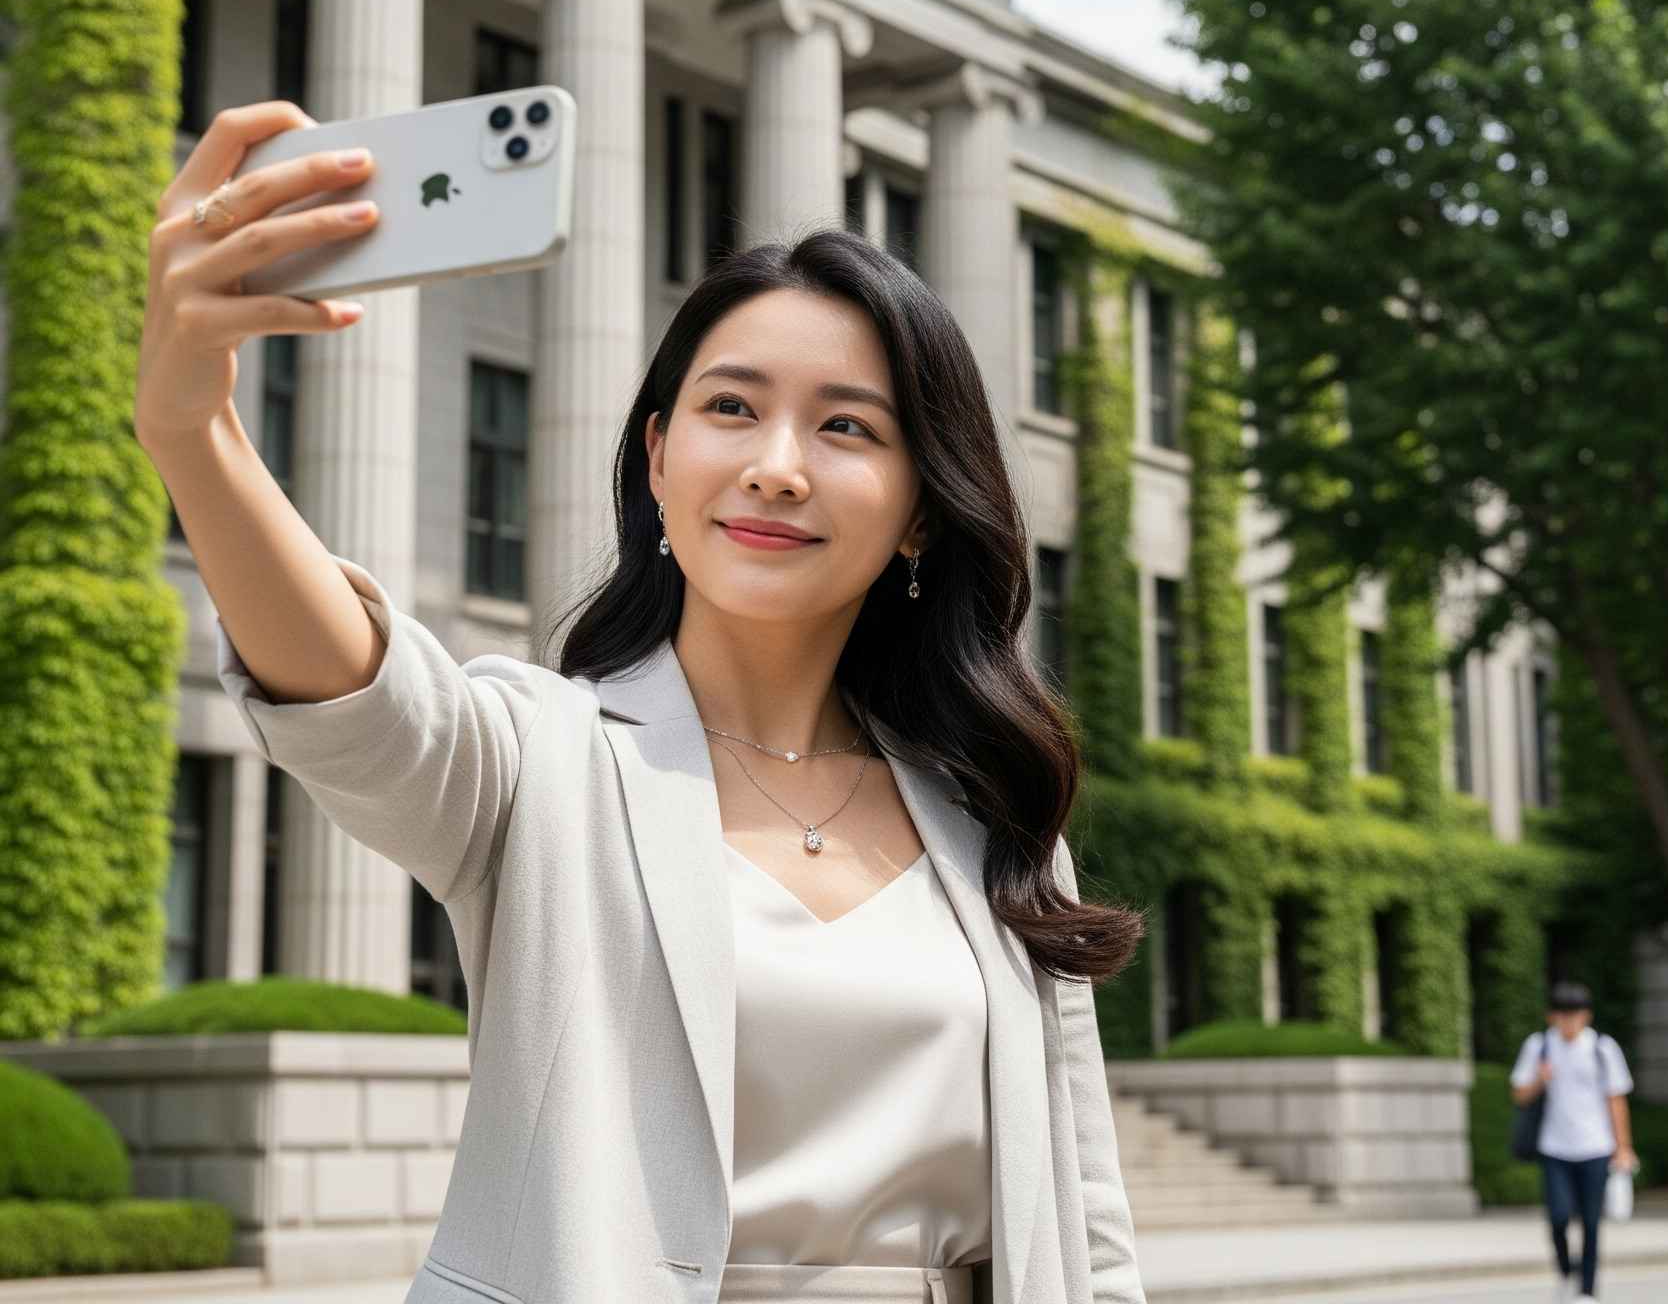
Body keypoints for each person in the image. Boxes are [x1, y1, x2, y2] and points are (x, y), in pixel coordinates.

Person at [134, 102, 1150, 1304]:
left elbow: (1088, 1226)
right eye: (730, 407)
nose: (777, 460)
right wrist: (194, 429)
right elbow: (360, 688)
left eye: (844, 424)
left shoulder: (996, 819)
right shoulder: (537, 760)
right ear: (659, 457)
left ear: (921, 507)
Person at [1510, 981, 1637, 1303]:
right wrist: (1541, 1079)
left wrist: (1623, 1146)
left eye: (1575, 1015)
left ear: (1586, 1016)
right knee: (1558, 1217)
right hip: (1554, 1147)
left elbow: (1616, 1099)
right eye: (1563, 1015)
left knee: (1592, 1222)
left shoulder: (1602, 1048)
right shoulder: (1539, 1046)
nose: (1569, 1022)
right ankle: (1567, 1270)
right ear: (1552, 1017)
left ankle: (1587, 1290)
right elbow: (1520, 1095)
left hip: (1596, 1146)